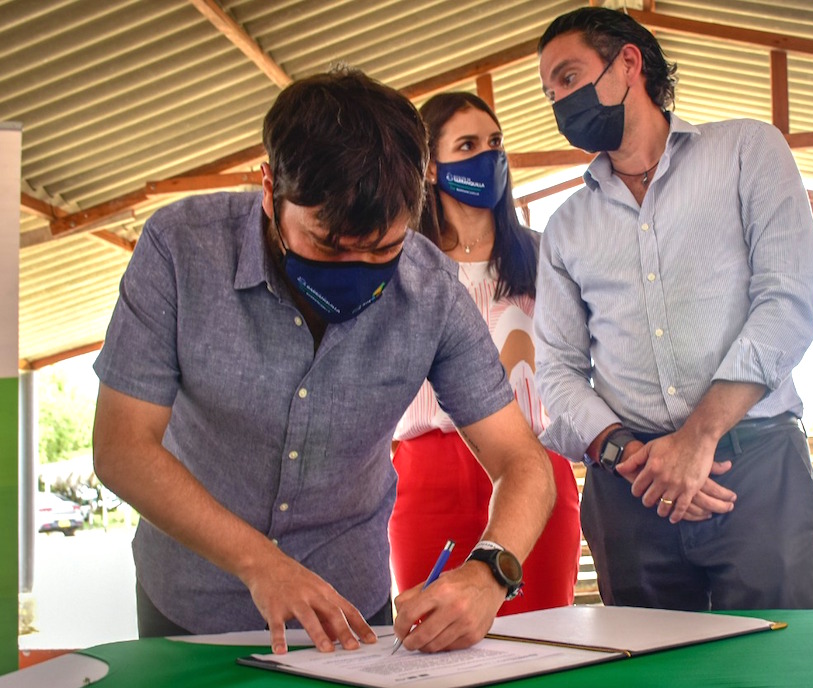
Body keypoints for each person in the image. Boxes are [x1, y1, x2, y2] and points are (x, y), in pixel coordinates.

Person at [91, 67, 556, 655]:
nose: (356, 269)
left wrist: (490, 571)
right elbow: (121, 446)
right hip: (189, 602)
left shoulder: (432, 291)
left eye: (383, 248)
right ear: (269, 188)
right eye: (327, 245)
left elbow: (523, 463)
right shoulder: (181, 249)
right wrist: (261, 563)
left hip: (349, 613)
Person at [534, 8, 813, 611]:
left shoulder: (748, 151)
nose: (559, 101)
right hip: (628, 487)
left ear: (629, 64)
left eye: (568, 77)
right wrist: (633, 457)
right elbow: (557, 371)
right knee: (652, 684)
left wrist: (699, 438)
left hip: (755, 469)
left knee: (784, 672)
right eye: (550, 92)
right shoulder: (564, 229)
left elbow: (788, 301)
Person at [390, 92, 581, 616]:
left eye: (495, 143)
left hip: (535, 471)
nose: (488, 155)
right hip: (426, 475)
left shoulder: (545, 256)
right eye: (468, 144)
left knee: (544, 638)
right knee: (435, 635)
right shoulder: (400, 264)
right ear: (431, 169)